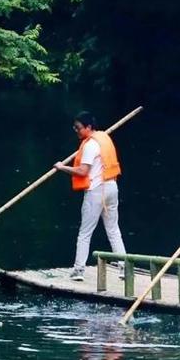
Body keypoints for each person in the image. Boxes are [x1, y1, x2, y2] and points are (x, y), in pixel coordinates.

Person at [54, 111, 127, 281]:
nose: (76, 131)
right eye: (75, 128)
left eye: (79, 128)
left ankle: (79, 270)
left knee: (85, 233)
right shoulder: (103, 138)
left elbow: (82, 171)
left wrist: (61, 167)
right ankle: (124, 267)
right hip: (111, 188)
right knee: (113, 230)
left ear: (88, 127)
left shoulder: (89, 146)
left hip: (96, 192)